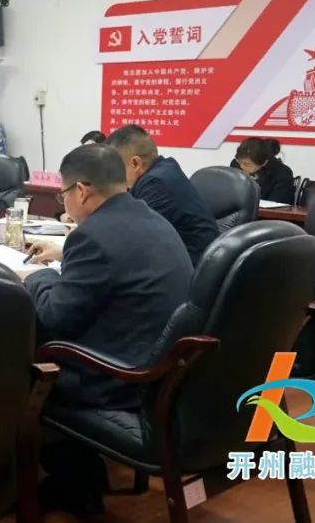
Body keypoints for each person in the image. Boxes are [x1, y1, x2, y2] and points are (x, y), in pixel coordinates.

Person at [24, 144, 192, 517]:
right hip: (164, 371)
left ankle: (75, 480)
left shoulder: (92, 236)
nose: (65, 203)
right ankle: (83, 475)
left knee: (27, 370)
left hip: (119, 379)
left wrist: (38, 277)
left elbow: (53, 316)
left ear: (82, 190)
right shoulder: (152, 218)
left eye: (63, 195)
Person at [106, 124, 219, 266]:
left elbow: (132, 237)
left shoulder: (156, 184)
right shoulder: (163, 170)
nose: (115, 176)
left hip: (191, 267)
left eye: (116, 169)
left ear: (135, 163)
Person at [233, 137, 295, 204]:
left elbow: (276, 203)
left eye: (247, 164)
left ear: (263, 162)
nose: (241, 166)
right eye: (239, 161)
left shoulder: (282, 173)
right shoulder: (236, 164)